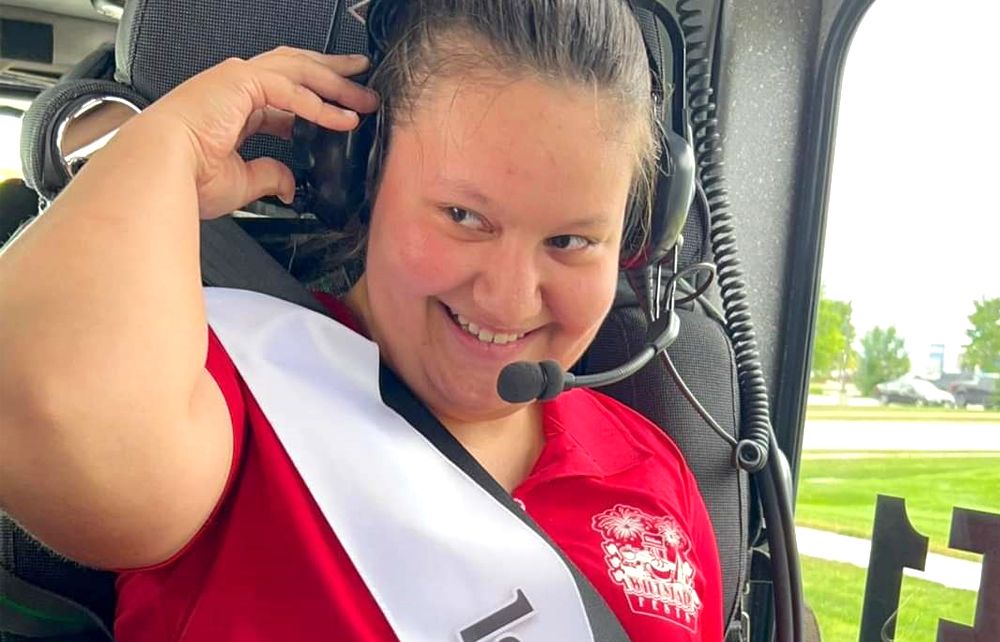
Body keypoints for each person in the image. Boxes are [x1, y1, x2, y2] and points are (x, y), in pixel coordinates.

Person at [0, 0, 723, 640]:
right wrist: (169, 142)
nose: (509, 298)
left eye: (570, 241)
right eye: (464, 217)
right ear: (359, 181)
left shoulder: (649, 466)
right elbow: (41, 408)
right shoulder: (225, 386)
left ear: (637, 237)